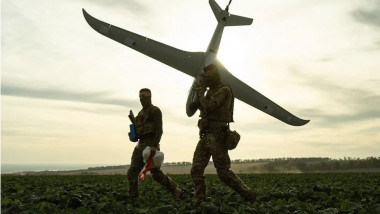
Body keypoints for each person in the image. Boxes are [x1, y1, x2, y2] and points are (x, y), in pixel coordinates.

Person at [190, 64, 256, 204]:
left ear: (216, 75)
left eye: (209, 75)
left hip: (218, 135)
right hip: (206, 135)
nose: (207, 78)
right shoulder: (209, 92)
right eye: (205, 75)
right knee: (196, 170)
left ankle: (248, 194)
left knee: (223, 172)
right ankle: (200, 200)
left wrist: (200, 92)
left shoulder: (224, 90)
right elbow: (202, 107)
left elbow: (209, 107)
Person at [127, 88, 181, 200]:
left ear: (150, 96)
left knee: (156, 174)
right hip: (140, 145)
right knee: (132, 172)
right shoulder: (140, 114)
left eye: (145, 96)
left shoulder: (155, 111)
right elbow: (137, 135)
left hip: (150, 145)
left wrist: (154, 145)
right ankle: (133, 197)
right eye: (140, 96)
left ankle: (175, 190)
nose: (142, 98)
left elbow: (159, 130)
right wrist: (132, 135)